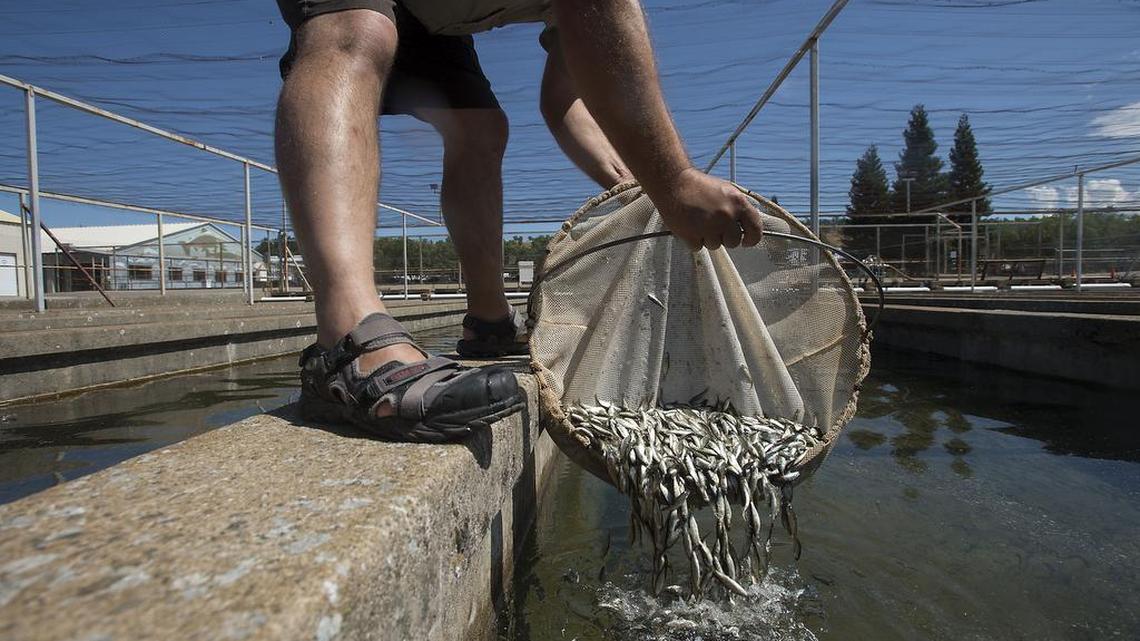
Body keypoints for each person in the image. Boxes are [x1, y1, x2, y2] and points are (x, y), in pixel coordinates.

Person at [274, 0, 764, 442]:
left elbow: (566, 101)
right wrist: (674, 180)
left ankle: (488, 323)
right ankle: (345, 339)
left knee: (481, 127)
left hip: (436, 15)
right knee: (356, 30)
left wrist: (641, 187)